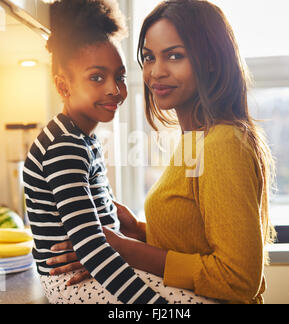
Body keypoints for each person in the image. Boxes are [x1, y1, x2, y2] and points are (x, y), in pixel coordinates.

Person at [46, 0, 276, 304]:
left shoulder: (223, 143)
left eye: (174, 56)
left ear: (210, 60)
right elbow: (195, 238)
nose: (156, 72)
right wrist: (137, 230)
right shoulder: (195, 140)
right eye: (148, 57)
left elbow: (238, 280)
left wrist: (124, 249)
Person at [23, 0, 215, 305]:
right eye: (97, 77)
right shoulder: (65, 146)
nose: (115, 89)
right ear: (63, 86)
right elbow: (91, 248)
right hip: (73, 281)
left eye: (120, 76)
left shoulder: (79, 138)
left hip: (96, 269)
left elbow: (94, 230)